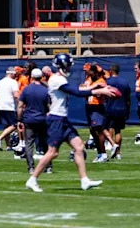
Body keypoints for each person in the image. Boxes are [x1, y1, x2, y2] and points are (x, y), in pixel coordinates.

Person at [25, 53, 116, 193]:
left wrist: (97, 87)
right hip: (56, 119)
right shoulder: (56, 79)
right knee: (52, 153)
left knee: (79, 147)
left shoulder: (60, 78)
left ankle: (84, 180)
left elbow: (78, 89)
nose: (69, 68)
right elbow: (76, 92)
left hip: (63, 119)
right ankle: (33, 179)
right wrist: (99, 90)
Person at [17, 68, 49, 174]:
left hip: (29, 119)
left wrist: (19, 120)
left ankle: (30, 167)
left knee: (29, 143)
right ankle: (48, 166)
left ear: (31, 76)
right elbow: (49, 106)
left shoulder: (26, 89)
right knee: (45, 144)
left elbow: (20, 106)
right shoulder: (45, 90)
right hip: (42, 119)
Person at [103, 64, 131, 160]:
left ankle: (112, 146)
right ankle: (118, 153)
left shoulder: (107, 82)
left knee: (109, 127)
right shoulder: (124, 82)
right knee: (118, 130)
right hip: (122, 108)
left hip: (111, 108)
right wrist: (127, 111)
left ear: (111, 71)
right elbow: (128, 99)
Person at [83, 64, 109, 163]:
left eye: (88, 71)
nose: (86, 73)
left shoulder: (101, 81)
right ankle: (99, 153)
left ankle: (103, 153)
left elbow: (102, 94)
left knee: (98, 130)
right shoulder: (90, 80)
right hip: (89, 105)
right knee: (92, 131)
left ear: (94, 72)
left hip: (97, 106)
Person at [0, 67, 20, 152]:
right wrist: (20, 105)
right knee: (15, 124)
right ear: (12, 74)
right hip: (9, 106)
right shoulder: (13, 82)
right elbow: (16, 95)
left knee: (7, 126)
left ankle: (8, 146)